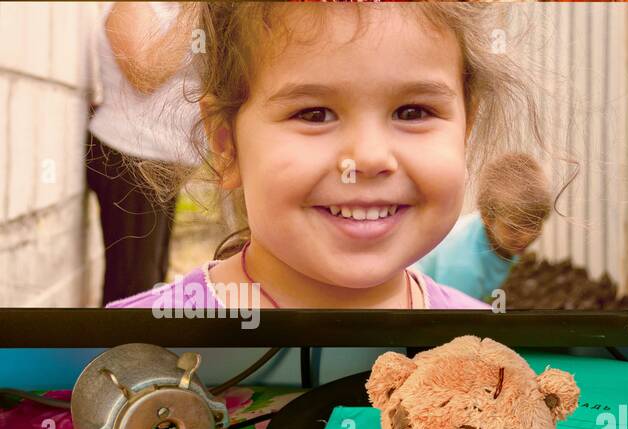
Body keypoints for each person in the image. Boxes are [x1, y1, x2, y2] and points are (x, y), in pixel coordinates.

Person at [109, 2, 562, 313]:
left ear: (466, 128)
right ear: (227, 146)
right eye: (314, 113)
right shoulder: (124, 358)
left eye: (413, 111)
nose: (366, 158)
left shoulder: (493, 361)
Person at [87, 1, 202, 305]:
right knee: (133, 287)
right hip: (130, 159)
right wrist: (195, 9)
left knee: (152, 278)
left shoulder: (180, 12)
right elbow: (145, 73)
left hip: (161, 166)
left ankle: (135, 348)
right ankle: (115, 350)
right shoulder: (134, 6)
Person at [416, 151, 551, 303]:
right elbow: (452, 315)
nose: (527, 236)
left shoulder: (504, 239)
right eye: (514, 228)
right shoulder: (464, 266)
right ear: (487, 219)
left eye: (534, 224)